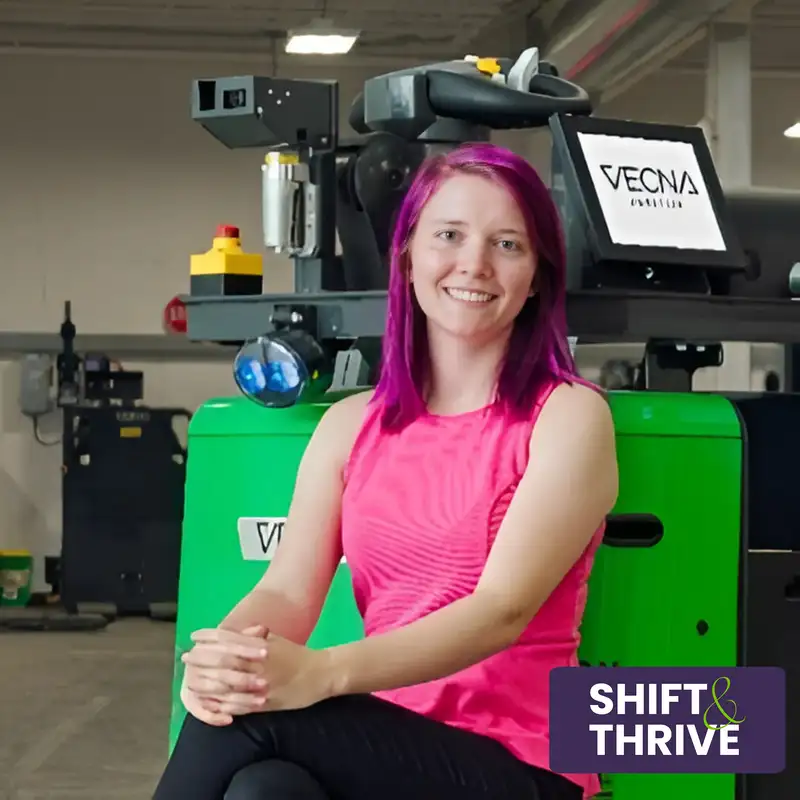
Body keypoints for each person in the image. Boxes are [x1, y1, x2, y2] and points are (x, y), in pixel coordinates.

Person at [153, 142, 619, 800]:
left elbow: (501, 611)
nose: (475, 264)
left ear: (538, 275)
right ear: (407, 256)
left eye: (507, 244)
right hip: (387, 746)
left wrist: (319, 673)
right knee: (265, 788)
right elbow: (288, 592)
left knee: (250, 724)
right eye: (449, 235)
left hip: (521, 762)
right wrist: (224, 660)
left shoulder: (568, 416)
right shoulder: (350, 426)